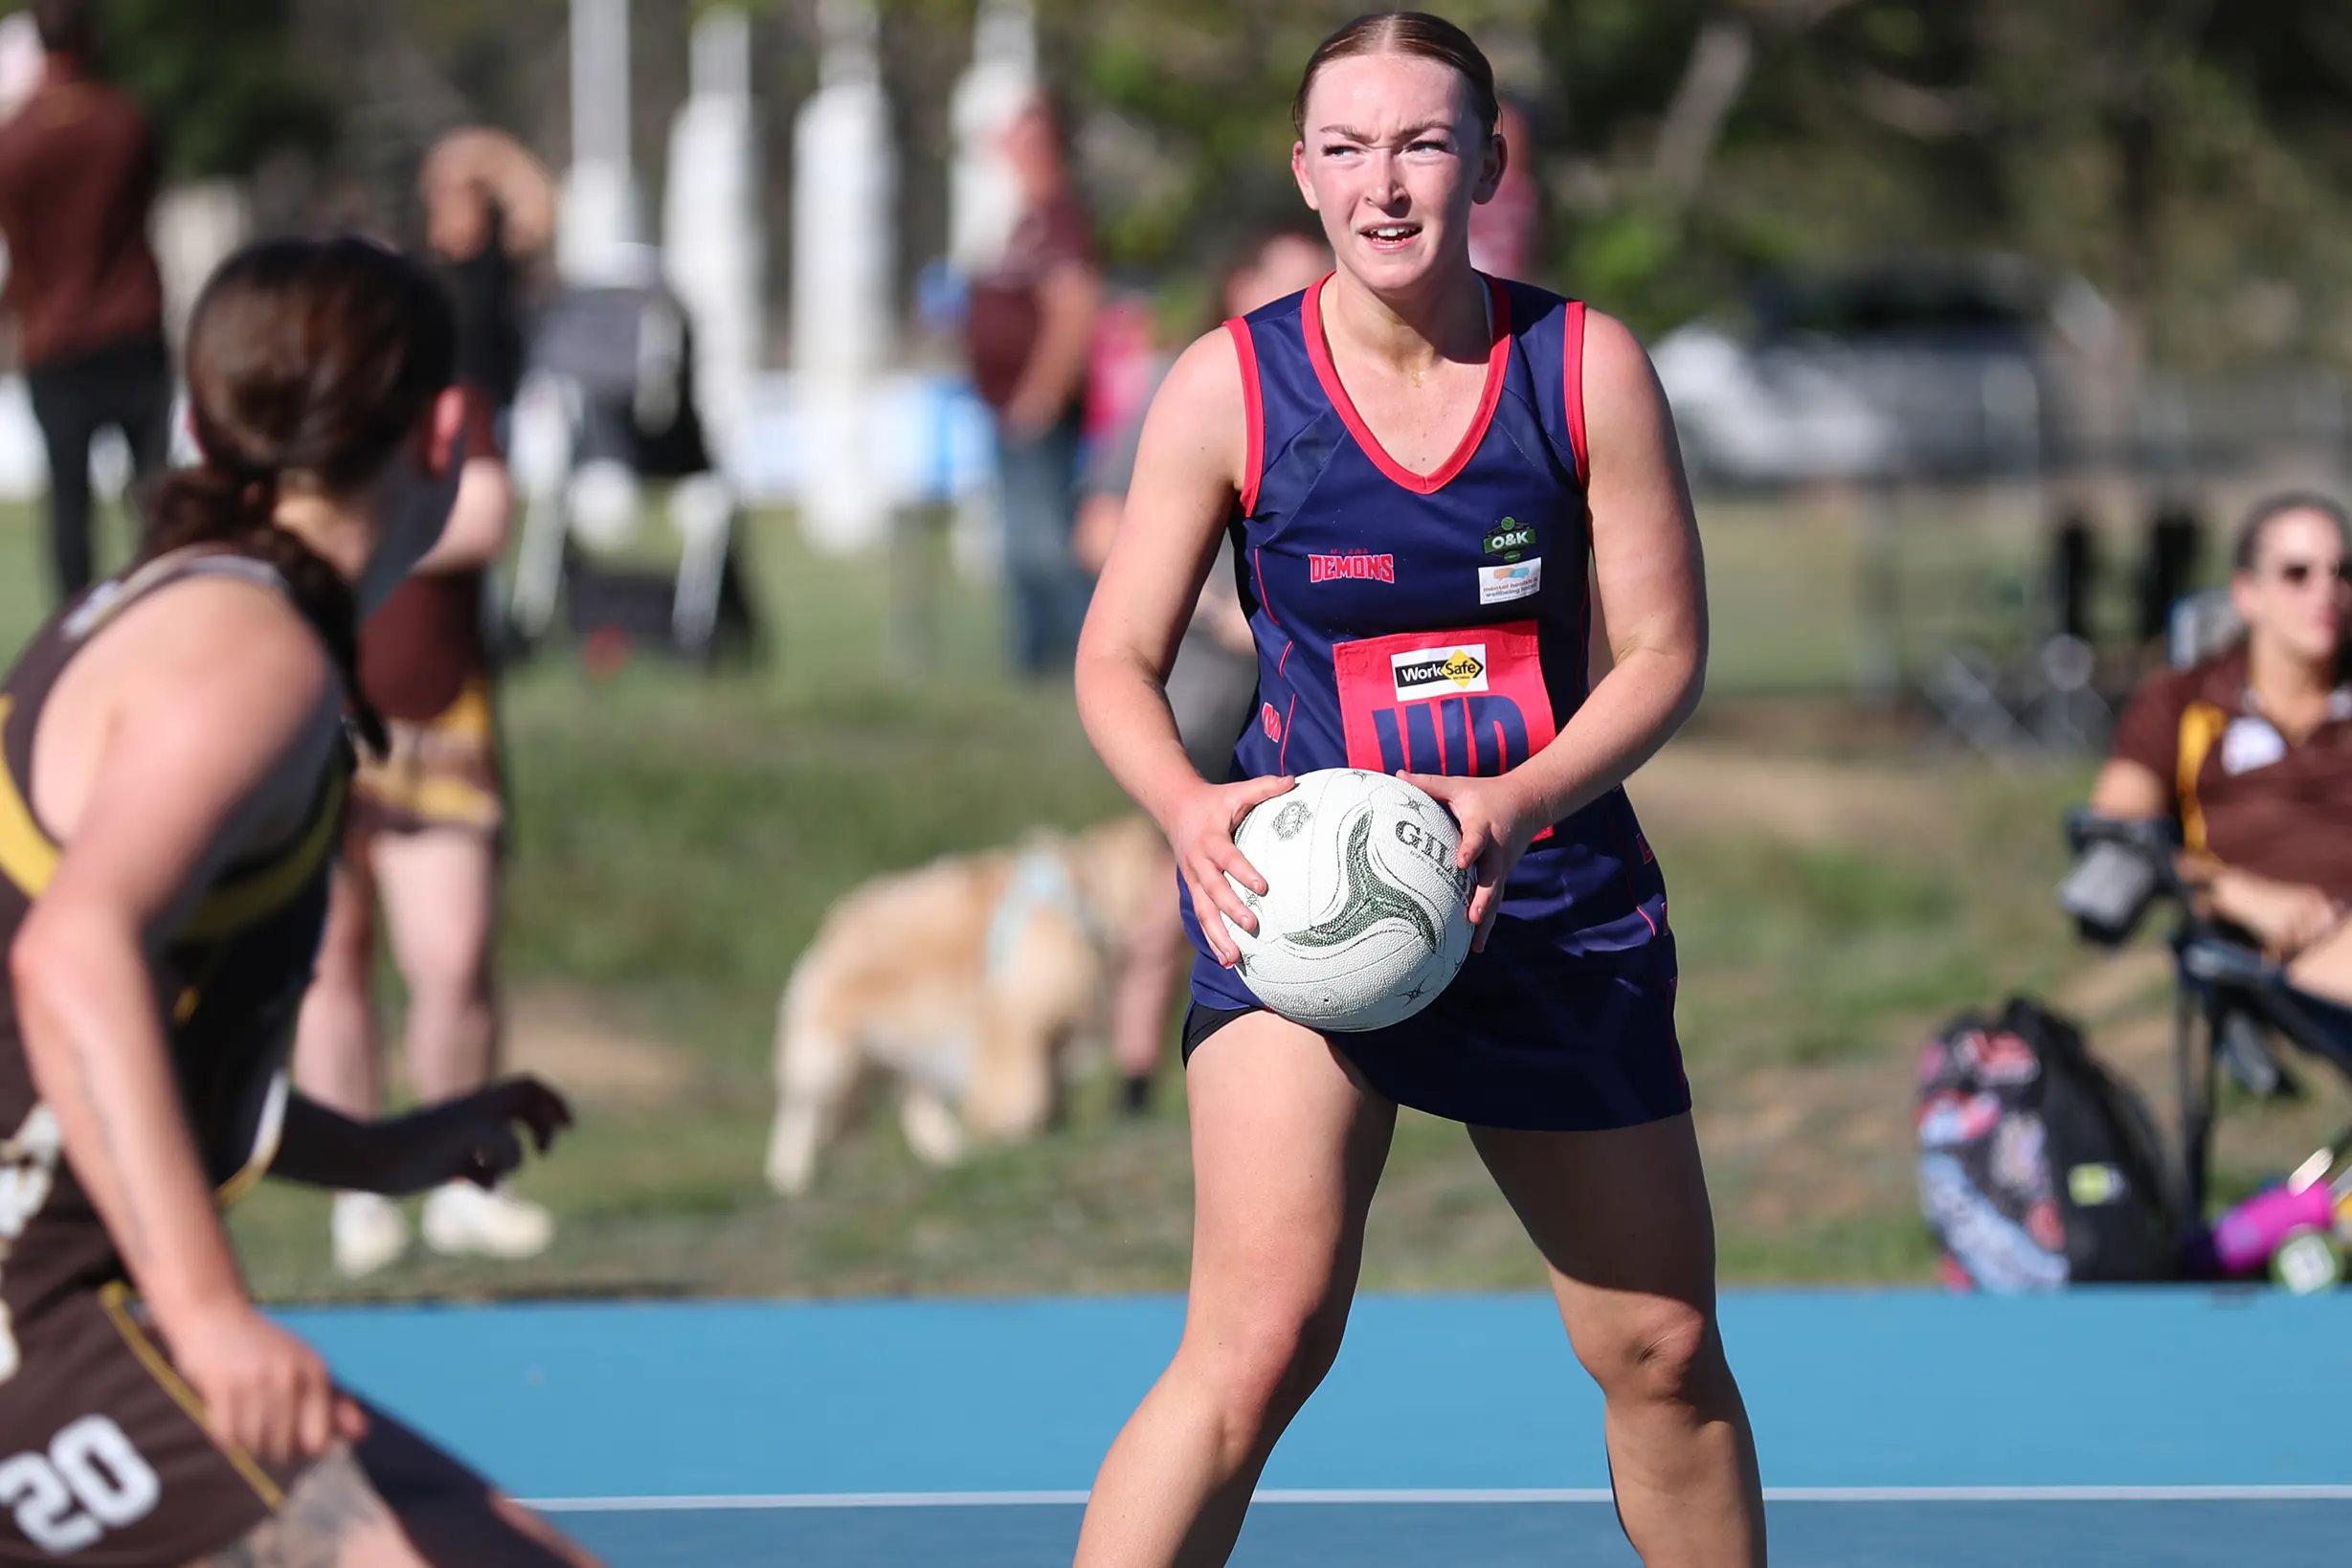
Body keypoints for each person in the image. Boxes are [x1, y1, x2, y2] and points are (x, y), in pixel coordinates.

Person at [1070, 13, 1765, 1566]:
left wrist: (1520, 800)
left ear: (1489, 164)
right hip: (1303, 911)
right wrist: (1192, 812)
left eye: (1423, 143)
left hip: (1549, 900)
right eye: (1348, 147)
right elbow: (1111, 660)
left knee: (1659, 1350)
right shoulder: (1227, 387)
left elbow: (1660, 651)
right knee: (1259, 1344)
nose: (1384, 186)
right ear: (1303, 171)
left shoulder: (1583, 369)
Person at [0, 235, 601, 1567]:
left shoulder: (205, 612)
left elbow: (120, 1040)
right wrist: (208, 1306)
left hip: (61, 1293)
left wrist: (373, 1152)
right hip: (39, 1314)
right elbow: (69, 960)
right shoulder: (251, 649)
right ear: (450, 427)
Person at [293, 132, 556, 1279]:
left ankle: (459, 1180)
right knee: (329, 963)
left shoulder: (446, 396)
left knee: (451, 960)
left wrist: (359, 533)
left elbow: (488, 513)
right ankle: (360, 1191)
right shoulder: (287, 408)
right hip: (307, 716)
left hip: (436, 710)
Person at [1075, 228, 1332, 1112]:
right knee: (1176, 882)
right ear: (1237, 281)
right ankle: (1136, 1071)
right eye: (1284, 286)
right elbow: (1096, 527)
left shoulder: (1337, 389)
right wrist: (1216, 614)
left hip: (1296, 694)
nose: (1306, 305)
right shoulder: (1187, 387)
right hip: (1200, 689)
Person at [2094, 493, 2352, 1027]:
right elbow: (2119, 835)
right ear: (2246, 594)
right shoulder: (2184, 702)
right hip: (2272, 959)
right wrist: (2236, 893)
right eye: (2297, 574)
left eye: (2342, 572)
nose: (2326, 591)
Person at [0, 0, 170, 600]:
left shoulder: (14, 141)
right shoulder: (126, 121)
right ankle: (172, 603)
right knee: (154, 492)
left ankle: (75, 629)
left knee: (67, 504)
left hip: (52, 340)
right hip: (130, 326)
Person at [965, 93, 1103, 677]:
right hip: (1005, 405)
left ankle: (1073, 660)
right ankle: (1029, 660)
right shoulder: (1022, 216)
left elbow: (1075, 310)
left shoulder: (1059, 218)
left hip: (1036, 410)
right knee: (1019, 540)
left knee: (1045, 542)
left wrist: (1041, 394)